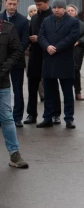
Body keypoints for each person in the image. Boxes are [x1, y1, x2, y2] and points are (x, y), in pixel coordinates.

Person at [36, 0, 80, 129]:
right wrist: (47, 46)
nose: (56, 10)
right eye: (54, 7)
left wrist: (56, 48)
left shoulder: (73, 22)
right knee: (49, 93)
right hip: (49, 62)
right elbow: (41, 35)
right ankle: (47, 118)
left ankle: (69, 118)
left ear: (64, 8)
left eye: (59, 7)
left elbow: (72, 37)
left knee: (67, 92)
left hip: (65, 61)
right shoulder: (47, 20)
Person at [24, 0, 58, 125]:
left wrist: (39, 39)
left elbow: (56, 36)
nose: (38, 8)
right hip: (35, 56)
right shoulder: (34, 18)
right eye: (36, 5)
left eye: (40, 5)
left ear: (47, 2)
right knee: (32, 86)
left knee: (52, 85)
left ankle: (55, 114)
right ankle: (31, 114)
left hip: (49, 55)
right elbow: (28, 34)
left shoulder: (53, 17)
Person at [0, 13, 29, 168]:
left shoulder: (8, 28)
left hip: (2, 82)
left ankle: (14, 155)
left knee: (6, 118)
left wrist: (4, 68)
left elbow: (17, 51)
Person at [2, 0, 30, 127]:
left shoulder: (23, 21)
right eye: (10, 4)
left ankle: (17, 117)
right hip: (1, 62)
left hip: (17, 61)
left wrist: (14, 55)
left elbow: (24, 41)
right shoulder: (0, 19)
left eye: (14, 4)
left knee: (17, 90)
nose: (12, 6)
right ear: (5, 4)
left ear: (17, 4)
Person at [66, 4, 84, 102]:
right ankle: (67, 93)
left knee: (76, 71)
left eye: (72, 10)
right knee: (66, 72)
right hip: (66, 50)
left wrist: (79, 41)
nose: (70, 12)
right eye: (68, 10)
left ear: (75, 12)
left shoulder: (81, 24)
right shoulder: (62, 23)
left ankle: (78, 92)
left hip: (77, 50)